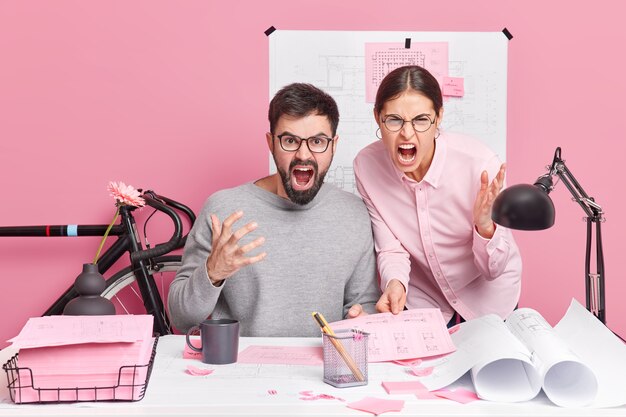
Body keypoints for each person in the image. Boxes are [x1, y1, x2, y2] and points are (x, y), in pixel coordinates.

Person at [169, 83, 380, 336]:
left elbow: (363, 308)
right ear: (271, 143)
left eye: (317, 141)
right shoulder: (223, 209)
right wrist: (213, 273)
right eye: (290, 140)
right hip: (241, 370)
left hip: (323, 370)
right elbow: (180, 318)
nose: (304, 154)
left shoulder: (353, 214)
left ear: (334, 145)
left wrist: (363, 320)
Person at [353, 65, 522, 326]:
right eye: (394, 120)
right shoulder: (367, 166)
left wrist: (484, 227)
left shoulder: (479, 166)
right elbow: (390, 247)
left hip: (488, 301)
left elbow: (494, 270)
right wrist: (395, 284)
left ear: (438, 117)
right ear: (378, 117)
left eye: (421, 120)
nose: (407, 133)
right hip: (424, 301)